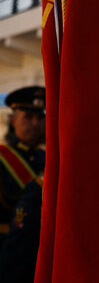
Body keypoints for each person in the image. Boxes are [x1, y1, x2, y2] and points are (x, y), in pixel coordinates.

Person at [0, 86, 46, 245]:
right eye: (28, 117)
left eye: (40, 118)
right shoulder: (2, 157)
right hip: (7, 246)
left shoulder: (47, 159)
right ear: (13, 120)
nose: (35, 123)